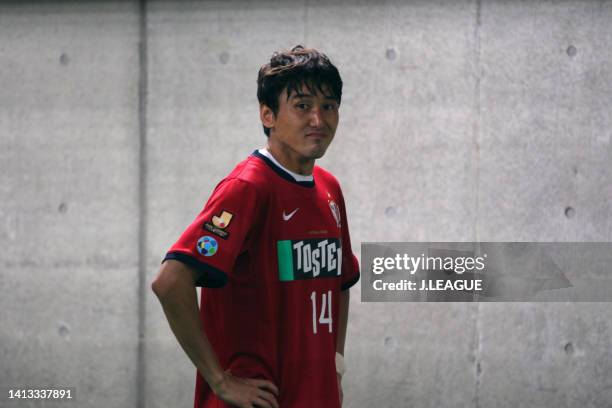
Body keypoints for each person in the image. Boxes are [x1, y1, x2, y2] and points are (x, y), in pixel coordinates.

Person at [151, 45, 360, 408]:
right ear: (268, 115)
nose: (318, 119)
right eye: (302, 106)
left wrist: (336, 366)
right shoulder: (248, 187)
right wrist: (220, 381)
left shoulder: (330, 189)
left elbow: (340, 281)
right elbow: (170, 281)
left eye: (329, 106)